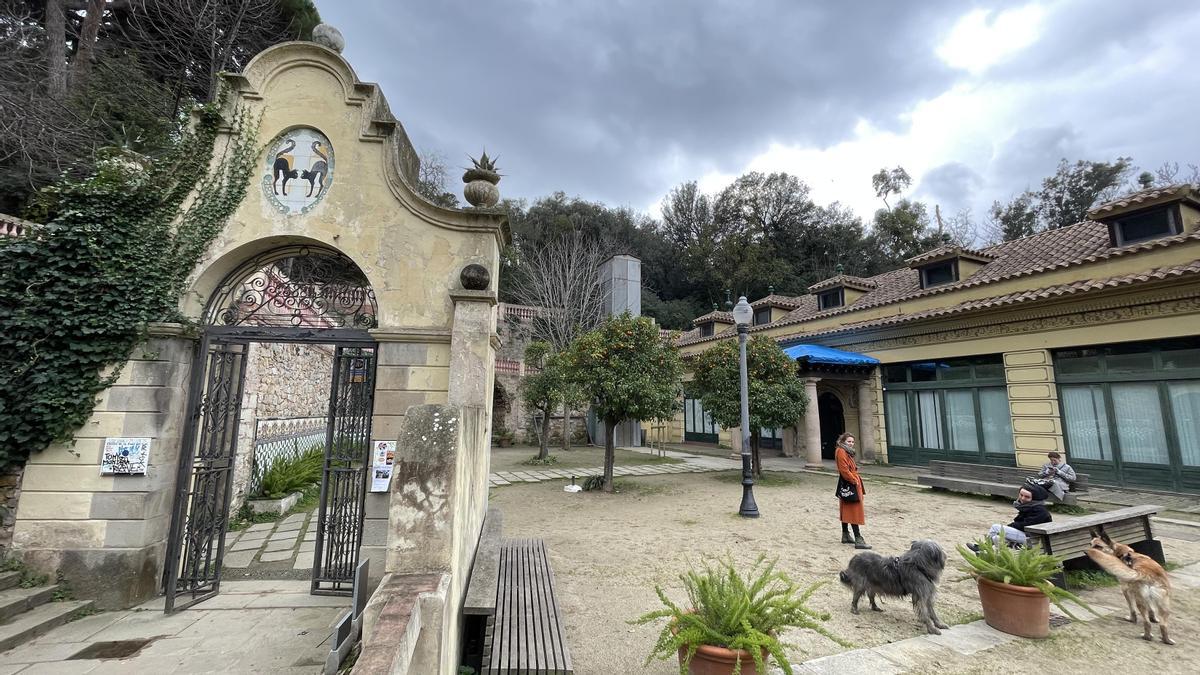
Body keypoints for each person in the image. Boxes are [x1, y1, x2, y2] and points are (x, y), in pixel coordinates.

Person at [971, 485, 1052, 550]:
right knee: (997, 538)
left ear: (1035, 499)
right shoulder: (1030, 506)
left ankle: (982, 547)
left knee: (995, 527)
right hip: (1028, 536)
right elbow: (1019, 524)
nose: (1022, 498)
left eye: (1027, 497)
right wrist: (1010, 527)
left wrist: (1009, 527)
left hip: (1035, 540)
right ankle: (1001, 560)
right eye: (1021, 495)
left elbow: (1024, 526)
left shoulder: (1040, 510)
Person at [835, 432, 870, 549]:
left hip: (848, 483)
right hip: (849, 483)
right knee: (854, 510)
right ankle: (858, 538)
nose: (851, 443)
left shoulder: (846, 451)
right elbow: (844, 470)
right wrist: (854, 480)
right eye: (848, 441)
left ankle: (845, 535)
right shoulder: (841, 451)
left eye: (852, 441)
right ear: (843, 441)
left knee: (847, 509)